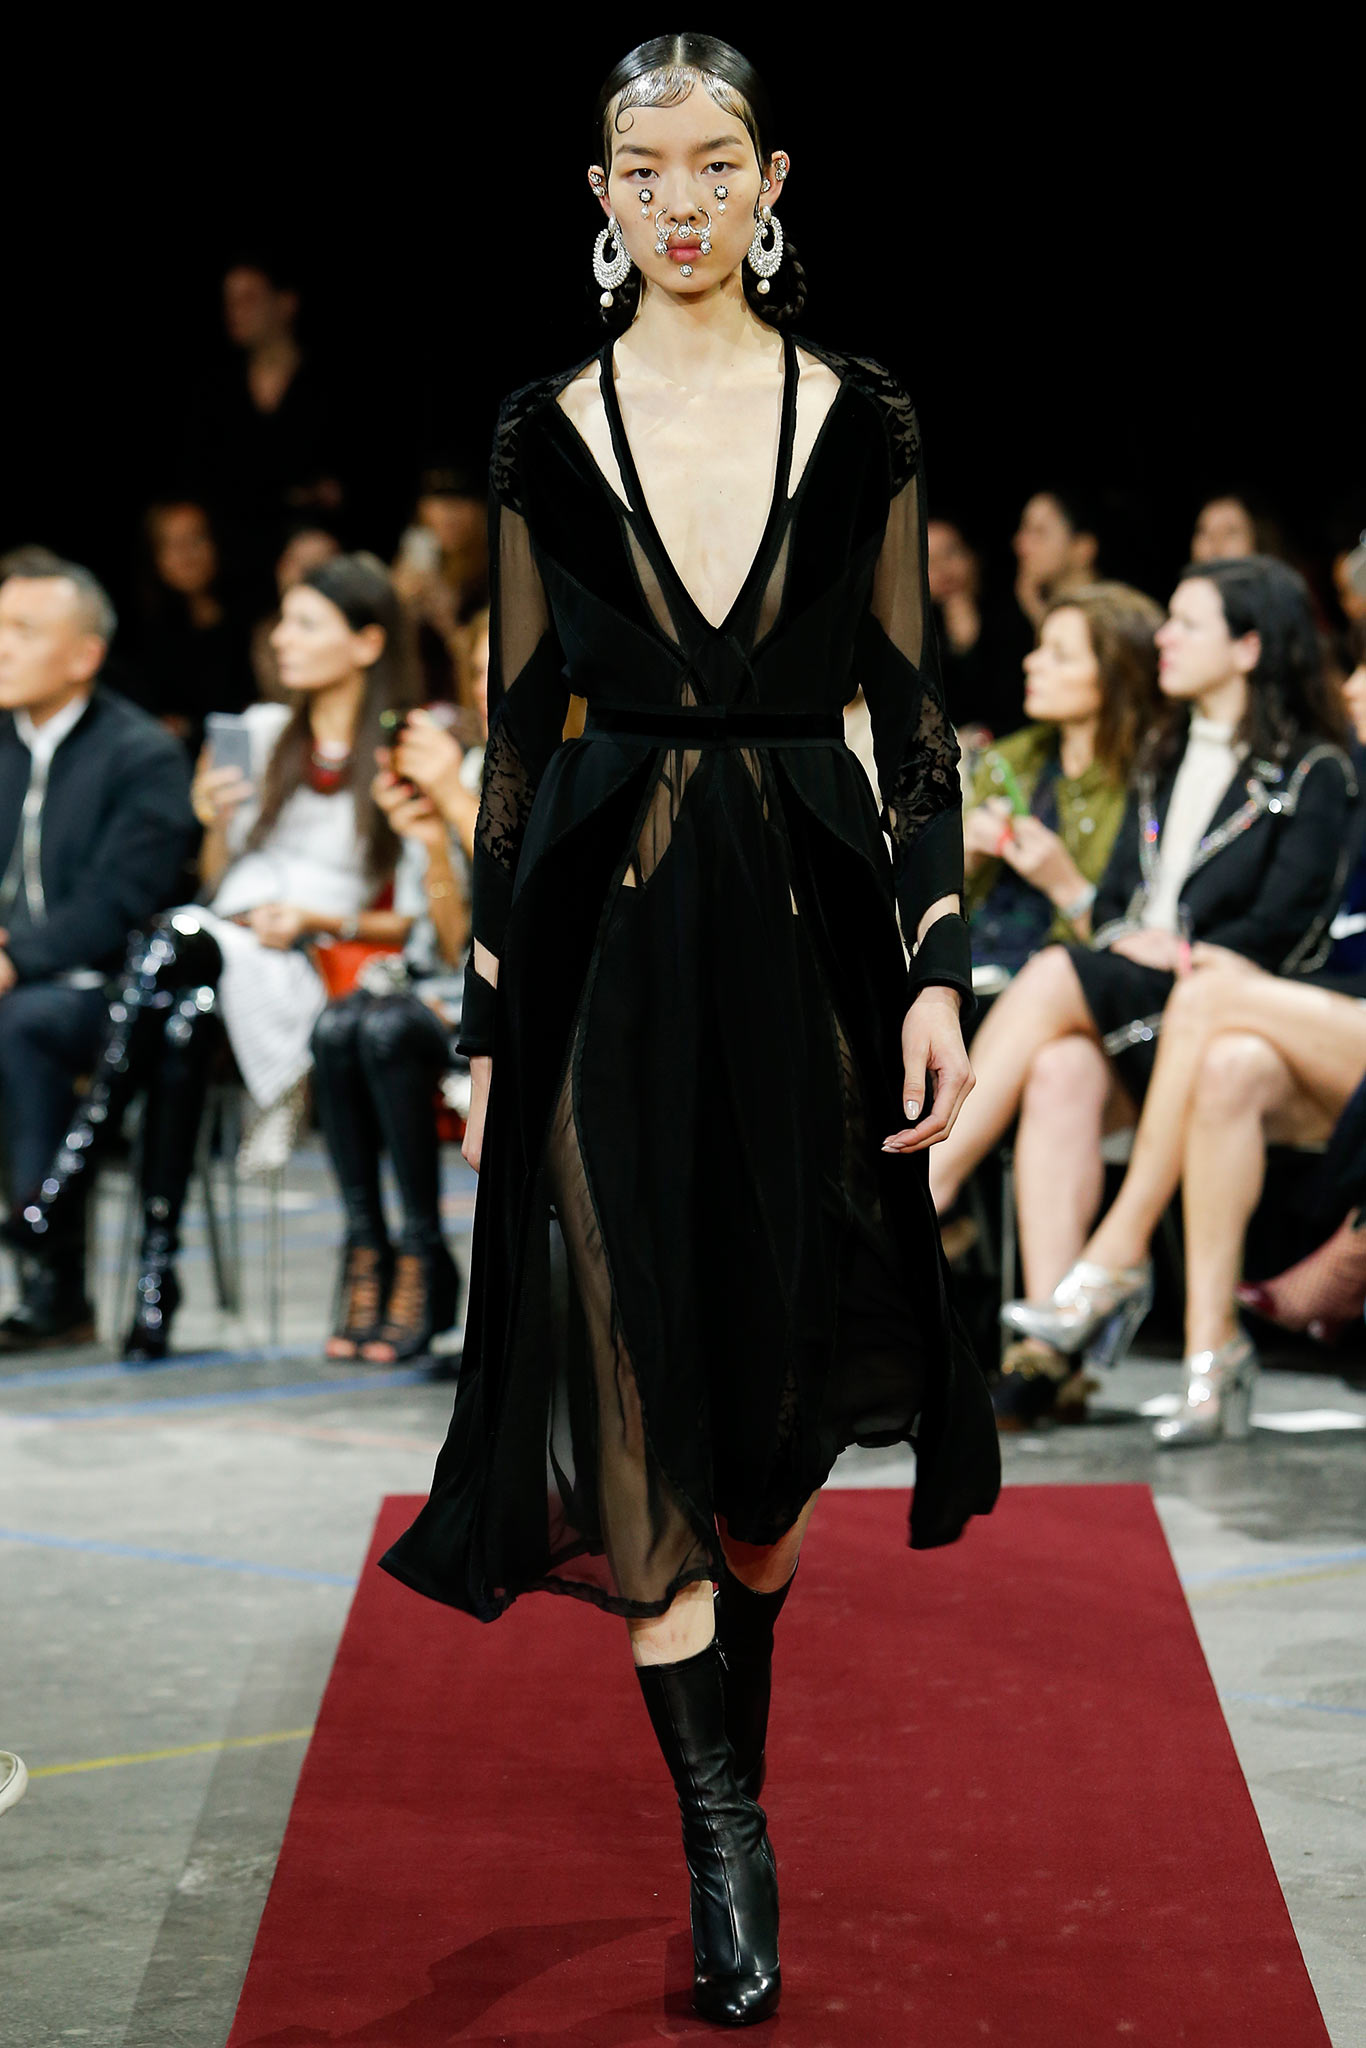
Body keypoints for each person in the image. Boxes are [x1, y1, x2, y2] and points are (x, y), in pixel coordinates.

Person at [380, 34, 1000, 2029]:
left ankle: (740, 1710)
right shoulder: (543, 426)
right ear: (599, 196)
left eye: (713, 161)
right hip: (599, 942)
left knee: (777, 1415)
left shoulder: (860, 414)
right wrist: (486, 1016)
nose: (678, 198)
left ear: (771, 180)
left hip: (808, 930)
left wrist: (934, 966)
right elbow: (514, 729)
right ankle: (724, 1830)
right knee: (629, 1364)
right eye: (641, 167)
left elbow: (907, 709)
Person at [930, 556, 1356, 1426]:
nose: (1166, 635)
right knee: (1060, 1070)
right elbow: (1123, 900)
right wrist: (1133, 935)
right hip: (1155, 1001)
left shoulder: (1312, 771)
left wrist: (1171, 949)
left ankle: (922, 1197)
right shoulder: (1165, 752)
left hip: (1242, 1004)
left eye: (1188, 624)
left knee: (1065, 975)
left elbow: (1281, 934)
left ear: (1248, 648)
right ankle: (1050, 1353)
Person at [7, 555, 419, 1361]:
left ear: (368, 643)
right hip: (227, 945)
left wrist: (315, 918)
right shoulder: (260, 733)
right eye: (284, 620)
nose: (281, 638)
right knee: (185, 1010)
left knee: (175, 953)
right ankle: (152, 1275)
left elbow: (414, 918)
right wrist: (217, 824)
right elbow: (219, 882)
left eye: (306, 623)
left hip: (314, 955)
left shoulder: (403, 744)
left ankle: (73, 1186)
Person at [0, 557, 196, 1350]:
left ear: (85, 654)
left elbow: (121, 901)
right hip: (16, 984)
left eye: (21, 630)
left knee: (24, 1022)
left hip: (108, 991)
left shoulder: (142, 753)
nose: (1, 646)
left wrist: (16, 958)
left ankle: (52, 1281)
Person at [312, 749, 470, 1366]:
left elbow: (460, 946)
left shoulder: (488, 779)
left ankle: (422, 1250)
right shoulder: (444, 778)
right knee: (334, 1028)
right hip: (424, 986)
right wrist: (421, 835)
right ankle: (367, 1244)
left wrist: (439, 835)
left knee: (386, 1031)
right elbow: (417, 932)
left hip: (480, 996)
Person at [965, 583, 1162, 976]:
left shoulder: (1150, 786)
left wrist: (1064, 884)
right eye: (1040, 647)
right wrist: (963, 854)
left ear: (1115, 674)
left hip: (1068, 982)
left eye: (1061, 656)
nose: (1031, 663)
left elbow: (1143, 951)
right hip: (973, 965)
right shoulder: (1009, 759)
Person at [131, 500, 254, 750]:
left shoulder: (250, 619)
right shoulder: (138, 634)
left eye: (196, 538)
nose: (186, 553)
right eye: (172, 544)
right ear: (154, 555)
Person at [927, 516, 1030, 740]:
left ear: (973, 556)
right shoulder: (917, 636)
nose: (942, 569)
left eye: (950, 553)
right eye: (928, 560)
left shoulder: (1012, 615)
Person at [250, 521, 343, 701]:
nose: (306, 575)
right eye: (297, 562)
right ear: (280, 568)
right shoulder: (267, 630)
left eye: (318, 564)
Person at [1012, 486, 1103, 635]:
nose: (1021, 544)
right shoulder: (1022, 610)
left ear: (1083, 547)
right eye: (1024, 530)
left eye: (1039, 532)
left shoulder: (1113, 621)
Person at [1191, 492, 1285, 566]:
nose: (1216, 542)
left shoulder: (1277, 581)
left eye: (1230, 532)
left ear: (1255, 541)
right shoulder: (1189, 583)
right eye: (1204, 533)